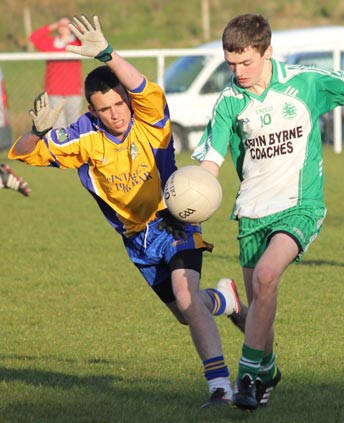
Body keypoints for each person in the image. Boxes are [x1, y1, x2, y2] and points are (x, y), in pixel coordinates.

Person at [192, 14, 344, 411]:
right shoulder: (230, 102)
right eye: (231, 64)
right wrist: (194, 202)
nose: (238, 72)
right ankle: (268, 369)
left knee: (267, 275)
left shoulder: (305, 82)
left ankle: (246, 377)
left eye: (246, 63)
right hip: (251, 212)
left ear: (267, 51)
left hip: (301, 206)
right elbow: (210, 164)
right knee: (261, 304)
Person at [10, 15, 241, 407]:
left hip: (175, 220)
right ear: (92, 110)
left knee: (186, 297)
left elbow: (139, 85)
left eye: (119, 104)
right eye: (105, 109)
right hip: (136, 240)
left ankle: (220, 388)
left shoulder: (150, 119)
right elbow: (26, 154)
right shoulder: (82, 137)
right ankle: (225, 300)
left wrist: (107, 53)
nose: (116, 114)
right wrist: (38, 131)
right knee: (187, 312)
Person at [30, 17, 83, 127]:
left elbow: (88, 38)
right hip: (54, 91)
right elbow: (34, 37)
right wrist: (52, 26)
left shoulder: (77, 44)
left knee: (74, 125)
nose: (64, 28)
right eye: (61, 25)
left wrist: (74, 27)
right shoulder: (51, 43)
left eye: (66, 25)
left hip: (74, 91)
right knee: (57, 126)